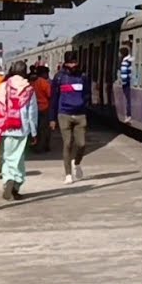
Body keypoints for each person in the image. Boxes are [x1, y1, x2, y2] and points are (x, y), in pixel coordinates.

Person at [0, 61, 38, 201]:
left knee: (7, 157)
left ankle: (8, 179)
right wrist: (34, 132)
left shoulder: (3, 86)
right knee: (18, 157)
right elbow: (32, 112)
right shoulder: (28, 88)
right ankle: (16, 184)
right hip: (22, 128)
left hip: (4, 127)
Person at [50, 51, 90, 184]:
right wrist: (52, 118)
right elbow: (54, 99)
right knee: (67, 144)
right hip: (64, 114)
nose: (73, 65)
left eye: (74, 62)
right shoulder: (59, 78)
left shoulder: (83, 77)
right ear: (65, 63)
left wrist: (83, 104)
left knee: (82, 144)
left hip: (80, 114)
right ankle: (68, 174)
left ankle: (76, 163)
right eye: (70, 63)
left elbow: (87, 94)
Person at [31, 65, 53, 152]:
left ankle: (36, 144)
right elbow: (50, 95)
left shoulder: (33, 82)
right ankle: (43, 146)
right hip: (45, 107)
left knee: (37, 128)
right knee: (44, 129)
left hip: (35, 108)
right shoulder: (44, 83)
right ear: (44, 73)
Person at [118, 44, 134, 124]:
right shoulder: (132, 60)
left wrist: (122, 83)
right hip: (131, 82)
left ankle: (128, 116)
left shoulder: (124, 62)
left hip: (127, 84)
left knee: (128, 100)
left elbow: (124, 74)